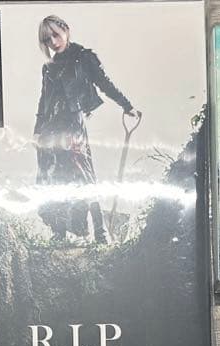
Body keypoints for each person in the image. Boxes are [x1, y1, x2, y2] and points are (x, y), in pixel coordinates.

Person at [33, 15, 140, 244]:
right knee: (52, 180)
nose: (53, 42)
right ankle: (60, 233)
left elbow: (104, 83)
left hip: (73, 126)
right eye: (47, 39)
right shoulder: (48, 67)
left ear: (66, 30)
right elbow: (44, 100)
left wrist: (127, 105)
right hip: (50, 130)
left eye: (55, 35)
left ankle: (100, 232)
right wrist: (37, 131)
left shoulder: (84, 57)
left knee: (84, 177)